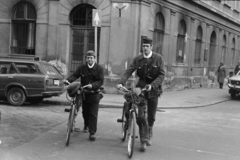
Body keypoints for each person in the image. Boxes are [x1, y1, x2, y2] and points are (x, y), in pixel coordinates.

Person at [116, 37, 165, 151]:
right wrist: (121, 82)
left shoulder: (158, 58)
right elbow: (129, 71)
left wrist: (152, 85)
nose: (145, 48)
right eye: (143, 46)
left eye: (147, 46)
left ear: (151, 47)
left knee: (151, 116)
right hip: (141, 89)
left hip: (153, 90)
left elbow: (161, 75)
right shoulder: (138, 59)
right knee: (141, 116)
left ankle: (149, 131)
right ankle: (144, 140)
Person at [64, 50, 104, 141]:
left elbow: (101, 81)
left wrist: (93, 86)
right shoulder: (82, 68)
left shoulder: (99, 69)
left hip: (95, 94)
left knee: (93, 114)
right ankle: (86, 124)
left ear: (94, 59)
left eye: (91, 58)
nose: (89, 59)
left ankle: (92, 133)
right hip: (84, 94)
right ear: (86, 59)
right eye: (88, 58)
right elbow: (75, 75)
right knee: (85, 112)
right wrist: (68, 80)